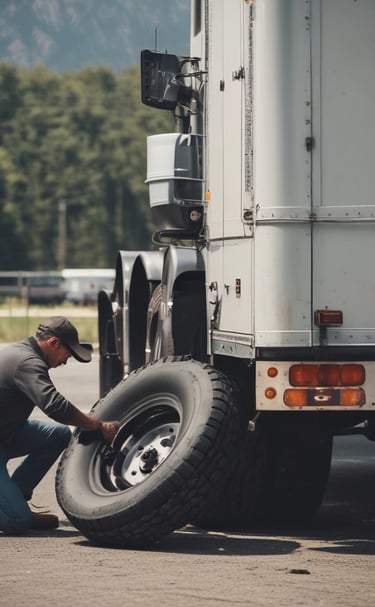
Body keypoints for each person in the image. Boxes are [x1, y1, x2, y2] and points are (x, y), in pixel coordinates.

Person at [0, 316, 118, 535]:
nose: (65, 362)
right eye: (68, 354)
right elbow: (54, 406)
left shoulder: (22, 353)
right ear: (54, 342)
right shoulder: (27, 362)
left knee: (57, 435)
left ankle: (15, 497)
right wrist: (95, 424)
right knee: (17, 521)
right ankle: (11, 511)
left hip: (6, 435)